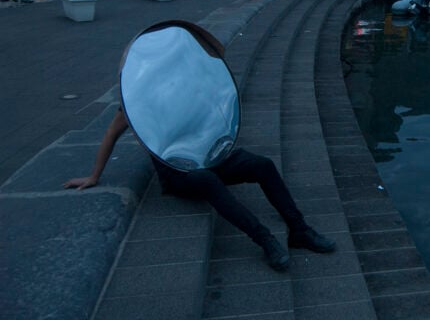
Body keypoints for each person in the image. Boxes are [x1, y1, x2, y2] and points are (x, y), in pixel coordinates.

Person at [63, 105, 336, 271]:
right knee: (206, 181)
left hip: (209, 156)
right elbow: (111, 134)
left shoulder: (182, 87)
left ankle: (299, 230)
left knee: (262, 165)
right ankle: (264, 239)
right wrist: (94, 176)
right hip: (177, 173)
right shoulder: (134, 103)